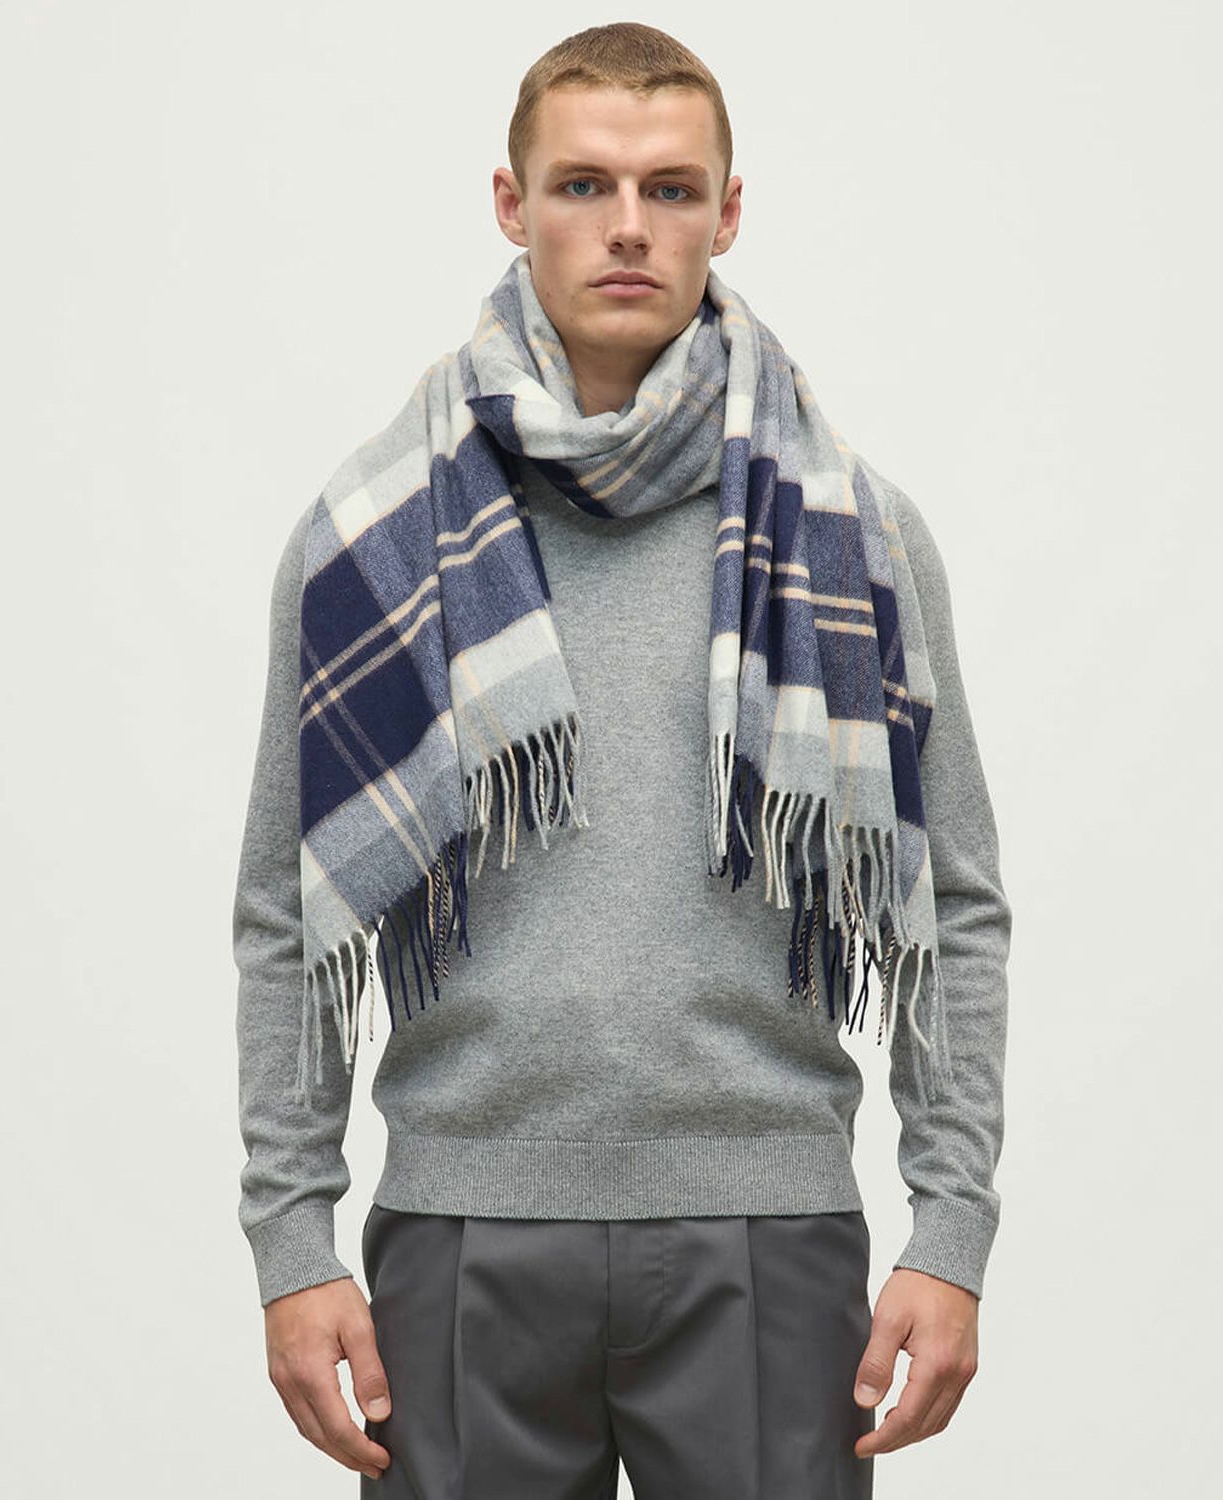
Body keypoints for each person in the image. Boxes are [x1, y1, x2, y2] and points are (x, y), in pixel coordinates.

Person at [231, 22, 1013, 1498]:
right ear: (512, 204)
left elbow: (953, 902)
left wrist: (951, 1227)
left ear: (728, 211)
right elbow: (287, 910)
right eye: (584, 184)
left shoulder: (855, 529)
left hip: (770, 1239)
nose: (629, 226)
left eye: (670, 188)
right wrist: (291, 1242)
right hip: (459, 1236)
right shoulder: (373, 536)